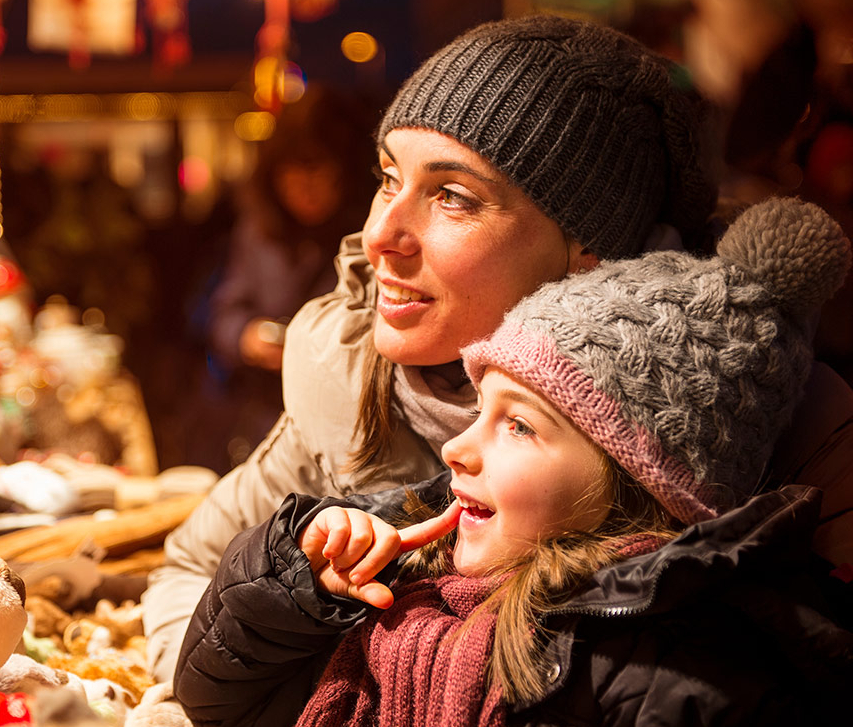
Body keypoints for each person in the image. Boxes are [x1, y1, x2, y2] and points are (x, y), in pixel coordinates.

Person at [140, 13, 853, 684]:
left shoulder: (770, 423)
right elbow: (188, 571)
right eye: (389, 178)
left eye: (453, 196)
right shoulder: (350, 381)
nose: (382, 232)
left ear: (588, 253)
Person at [174, 196, 853, 726]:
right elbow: (223, 702)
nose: (456, 448)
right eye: (481, 410)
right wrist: (300, 587)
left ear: (641, 481)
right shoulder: (415, 589)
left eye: (519, 425)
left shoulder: (687, 677)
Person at [200, 87, 377, 469]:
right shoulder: (260, 231)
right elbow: (224, 313)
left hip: (348, 427)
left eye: (318, 168)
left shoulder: (373, 237)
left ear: (344, 170)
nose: (304, 185)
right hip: (266, 418)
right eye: (292, 170)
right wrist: (247, 337)